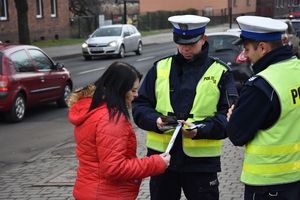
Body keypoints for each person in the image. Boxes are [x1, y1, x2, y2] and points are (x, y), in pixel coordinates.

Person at [132, 15, 238, 200]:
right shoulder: (160, 68)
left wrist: (199, 130)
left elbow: (228, 118)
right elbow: (140, 106)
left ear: (204, 38)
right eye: (181, 43)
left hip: (201, 166)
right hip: (162, 161)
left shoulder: (221, 72)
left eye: (191, 43)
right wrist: (155, 121)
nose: (185, 48)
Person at [68, 61, 170, 200]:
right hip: (106, 194)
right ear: (120, 89)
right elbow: (114, 168)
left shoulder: (92, 109)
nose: (136, 95)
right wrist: (156, 163)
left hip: (90, 190)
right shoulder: (111, 118)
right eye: (133, 90)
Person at [226, 16, 300, 200]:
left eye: (247, 48)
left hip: (268, 185)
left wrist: (232, 117)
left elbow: (236, 134)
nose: (245, 55)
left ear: (263, 47)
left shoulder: (261, 85)